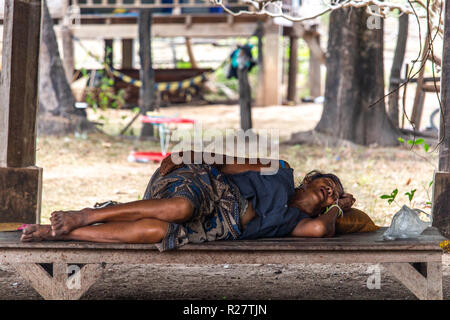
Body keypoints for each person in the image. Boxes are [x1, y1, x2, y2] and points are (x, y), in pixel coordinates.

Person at [21, 151, 355, 251]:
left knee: (157, 232)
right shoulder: (281, 169)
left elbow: (321, 231)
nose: (331, 191)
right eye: (329, 183)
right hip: (203, 182)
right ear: (310, 179)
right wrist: (187, 154)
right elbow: (225, 163)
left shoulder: (299, 224)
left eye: (334, 194)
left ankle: (63, 232)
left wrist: (340, 207)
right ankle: (84, 215)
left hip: (218, 227)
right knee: (181, 208)